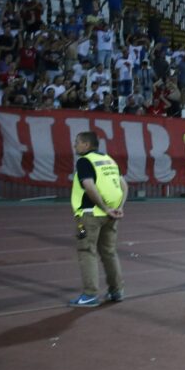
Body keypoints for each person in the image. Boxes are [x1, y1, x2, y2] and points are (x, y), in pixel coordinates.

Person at [68, 131, 128, 307]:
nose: (74, 145)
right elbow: (124, 186)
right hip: (110, 216)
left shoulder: (84, 161)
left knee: (86, 251)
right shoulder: (109, 160)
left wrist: (104, 207)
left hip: (88, 215)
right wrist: (118, 208)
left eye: (77, 142)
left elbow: (89, 186)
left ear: (86, 145)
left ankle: (90, 294)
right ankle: (116, 290)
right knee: (109, 252)